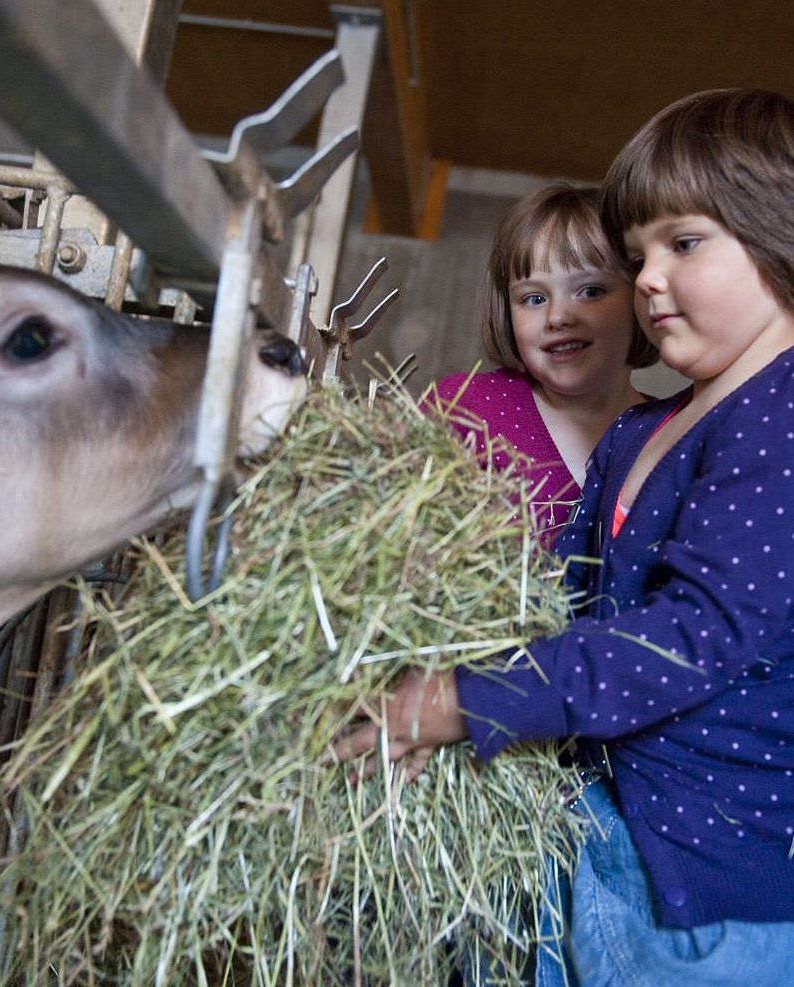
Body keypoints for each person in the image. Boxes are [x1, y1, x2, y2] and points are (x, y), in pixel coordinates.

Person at [335, 88, 794, 985]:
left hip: (700, 888)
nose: (650, 277)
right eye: (638, 254)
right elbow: (564, 595)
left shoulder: (778, 420)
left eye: (684, 243)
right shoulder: (647, 430)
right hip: (594, 836)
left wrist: (464, 702)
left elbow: (687, 639)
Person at [423, 183, 656, 546]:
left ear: (640, 296)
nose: (558, 316)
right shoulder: (465, 407)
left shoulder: (673, 434)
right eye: (533, 298)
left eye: (590, 291)